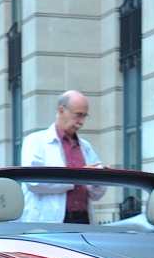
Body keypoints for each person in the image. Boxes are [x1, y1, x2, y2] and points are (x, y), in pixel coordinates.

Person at [19, 90, 106, 223]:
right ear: (61, 111)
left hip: (83, 220)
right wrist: (78, 177)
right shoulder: (35, 141)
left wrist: (98, 180)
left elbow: (96, 196)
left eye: (84, 116)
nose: (81, 122)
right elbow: (34, 181)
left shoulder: (85, 146)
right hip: (49, 222)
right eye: (78, 115)